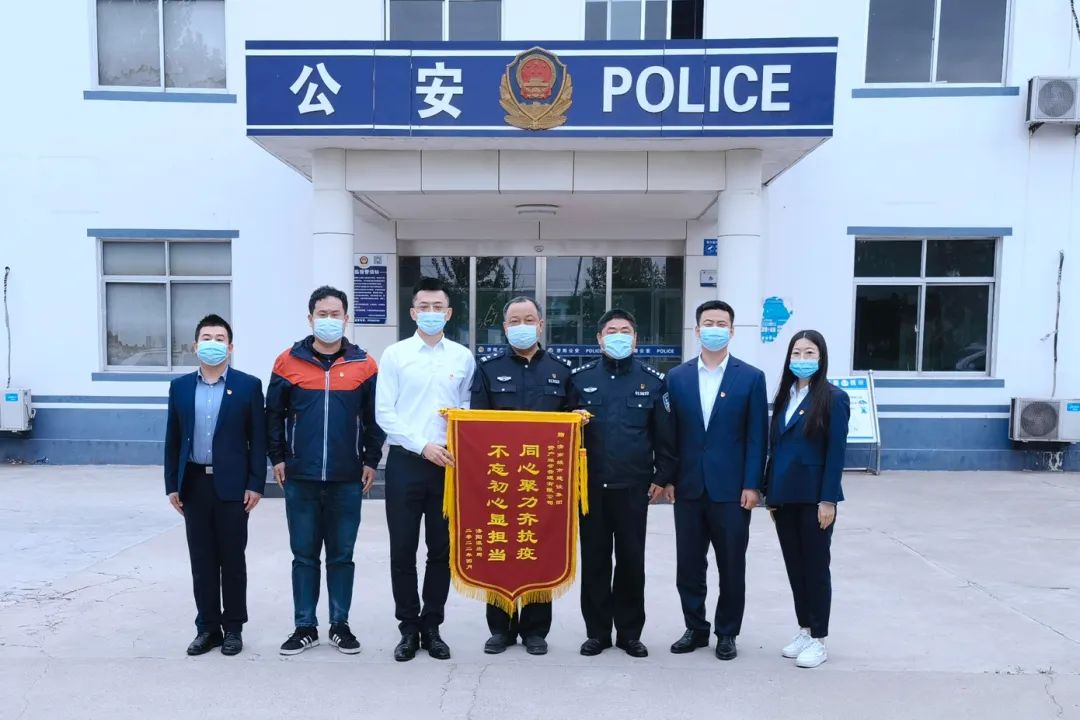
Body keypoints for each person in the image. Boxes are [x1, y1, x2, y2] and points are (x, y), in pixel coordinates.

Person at [265, 286, 385, 656]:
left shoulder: (365, 365)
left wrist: (370, 460)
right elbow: (273, 416)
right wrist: (278, 457)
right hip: (300, 476)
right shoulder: (287, 362)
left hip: (347, 478)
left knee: (341, 556)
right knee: (304, 555)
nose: (329, 320)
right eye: (322, 314)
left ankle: (339, 625)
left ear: (346, 318)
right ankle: (305, 626)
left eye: (335, 314)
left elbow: (374, 419)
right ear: (310, 318)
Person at [375, 277, 475, 662]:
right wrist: (422, 445)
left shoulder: (462, 357)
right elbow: (384, 412)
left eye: (438, 307)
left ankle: (432, 626)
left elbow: (468, 407)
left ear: (448, 313)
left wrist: (453, 431)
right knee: (402, 549)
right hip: (406, 461)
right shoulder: (395, 355)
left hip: (448, 465)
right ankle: (408, 628)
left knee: (441, 550)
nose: (431, 313)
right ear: (413, 312)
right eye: (424, 307)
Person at [567, 309, 676, 658]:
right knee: (595, 561)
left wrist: (662, 476)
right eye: (611, 330)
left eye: (625, 330)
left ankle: (630, 634)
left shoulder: (653, 381)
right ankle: (597, 633)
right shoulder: (579, 379)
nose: (618, 336)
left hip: (634, 487)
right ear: (599, 339)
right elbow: (561, 433)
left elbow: (664, 435)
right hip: (590, 488)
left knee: (631, 562)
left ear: (635, 339)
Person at [664, 300, 768, 661]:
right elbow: (670, 435)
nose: (714, 329)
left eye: (721, 323)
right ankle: (695, 628)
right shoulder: (677, 377)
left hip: (732, 491)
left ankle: (727, 632)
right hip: (689, 487)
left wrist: (753, 484)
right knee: (689, 566)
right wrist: (669, 479)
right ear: (697, 330)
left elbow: (757, 436)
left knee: (731, 565)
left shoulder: (751, 377)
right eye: (708, 323)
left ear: (732, 331)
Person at [470, 296, 573, 656]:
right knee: (500, 548)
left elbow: (572, 424)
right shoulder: (488, 369)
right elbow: (476, 424)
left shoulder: (561, 371)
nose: (522, 326)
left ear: (541, 325)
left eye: (529, 319)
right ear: (505, 327)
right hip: (499, 479)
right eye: (515, 321)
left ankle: (535, 629)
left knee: (538, 549)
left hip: (543, 482)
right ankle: (500, 628)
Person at [164, 314, 267, 657]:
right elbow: (173, 439)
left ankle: (234, 628)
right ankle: (207, 628)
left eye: (219, 338)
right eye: (206, 338)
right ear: (195, 346)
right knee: (202, 560)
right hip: (193, 484)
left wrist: (255, 484)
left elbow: (257, 440)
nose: (213, 343)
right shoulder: (180, 387)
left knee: (232, 559)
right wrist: (172, 484)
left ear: (230, 347)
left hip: (233, 487)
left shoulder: (248, 386)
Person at [764, 330, 850, 669]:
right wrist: (770, 493)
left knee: (815, 567)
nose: (802, 359)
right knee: (795, 566)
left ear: (821, 357)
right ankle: (804, 628)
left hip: (815, 498)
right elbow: (776, 448)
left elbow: (836, 452)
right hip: (784, 496)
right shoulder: (785, 396)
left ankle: (819, 638)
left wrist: (828, 500)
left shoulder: (833, 398)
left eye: (809, 352)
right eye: (796, 353)